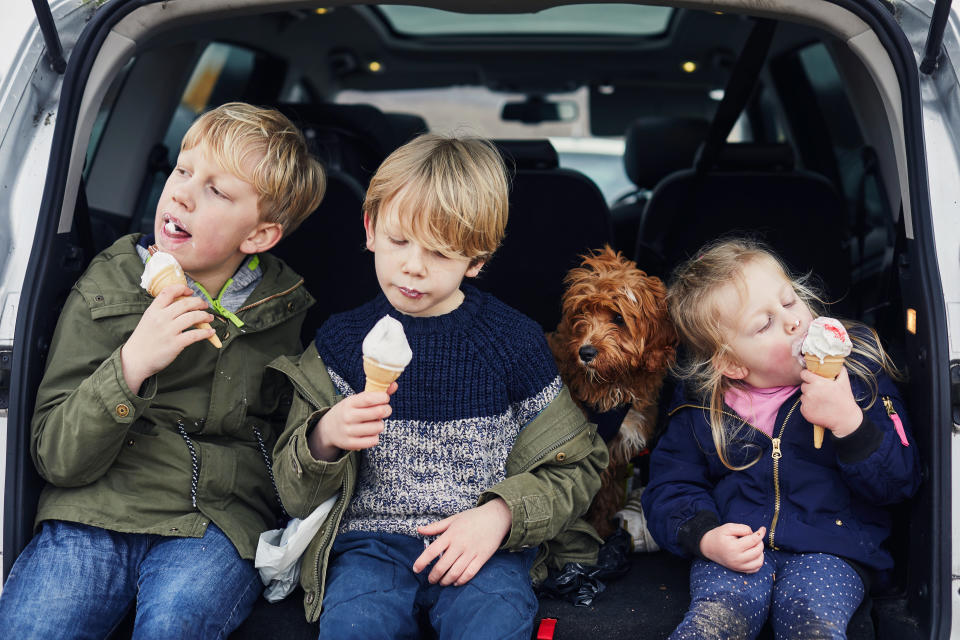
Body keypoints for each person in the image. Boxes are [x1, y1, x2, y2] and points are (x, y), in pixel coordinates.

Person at [0, 102, 325, 638]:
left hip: (215, 521)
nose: (181, 193)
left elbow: (282, 451)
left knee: (178, 620)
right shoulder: (105, 288)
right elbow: (54, 455)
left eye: (217, 191)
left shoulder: (283, 312)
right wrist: (131, 364)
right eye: (182, 170)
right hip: (94, 510)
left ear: (260, 236)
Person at [269, 133, 607, 639]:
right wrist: (325, 439)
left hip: (482, 547)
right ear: (370, 227)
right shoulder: (339, 343)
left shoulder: (511, 343)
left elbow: (578, 466)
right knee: (353, 627)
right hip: (369, 545)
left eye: (441, 253)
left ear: (476, 260)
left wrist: (501, 515)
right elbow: (292, 491)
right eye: (399, 240)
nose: (413, 266)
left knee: (497, 625)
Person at [641, 237, 921, 640]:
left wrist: (850, 423)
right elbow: (669, 485)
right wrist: (705, 536)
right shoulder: (703, 410)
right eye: (764, 323)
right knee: (714, 622)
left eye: (790, 302)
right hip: (738, 552)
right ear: (732, 363)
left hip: (832, 551)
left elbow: (901, 481)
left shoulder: (860, 381)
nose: (793, 321)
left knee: (813, 621)